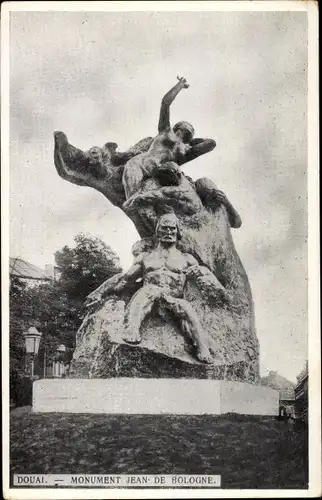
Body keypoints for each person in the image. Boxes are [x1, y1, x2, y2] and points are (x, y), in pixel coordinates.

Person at [101, 213, 216, 363]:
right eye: (164, 228)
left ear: (178, 231)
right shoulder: (145, 257)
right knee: (147, 291)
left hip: (173, 297)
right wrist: (107, 291)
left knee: (186, 307)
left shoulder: (187, 258)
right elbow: (126, 279)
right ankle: (132, 327)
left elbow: (205, 277)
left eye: (172, 228)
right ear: (158, 231)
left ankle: (202, 346)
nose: (168, 232)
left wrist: (202, 273)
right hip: (150, 294)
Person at [121, 76, 216, 200]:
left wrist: (192, 142)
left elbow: (211, 143)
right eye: (187, 126)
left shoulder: (186, 152)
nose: (189, 128)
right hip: (140, 165)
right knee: (133, 200)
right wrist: (180, 85)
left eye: (191, 131)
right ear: (178, 127)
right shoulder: (165, 131)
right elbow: (165, 103)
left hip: (159, 177)